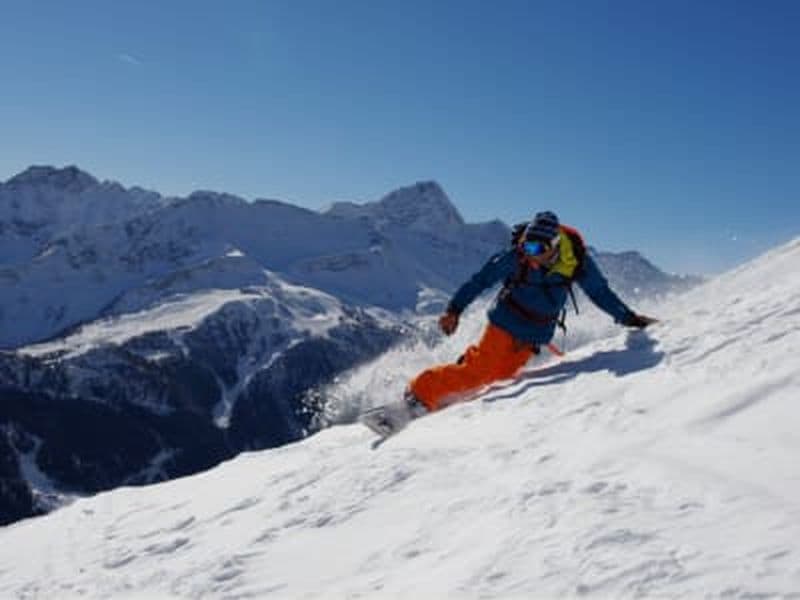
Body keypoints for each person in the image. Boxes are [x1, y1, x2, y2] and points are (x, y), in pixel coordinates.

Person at [379, 210, 656, 433]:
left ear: (555, 246)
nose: (529, 253)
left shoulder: (577, 263)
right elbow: (481, 280)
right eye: (526, 245)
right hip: (504, 322)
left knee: (498, 377)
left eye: (536, 247)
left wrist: (628, 318)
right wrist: (455, 310)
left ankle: (452, 382)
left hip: (534, 334)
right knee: (480, 372)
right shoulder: (518, 257)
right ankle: (418, 394)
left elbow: (599, 293)